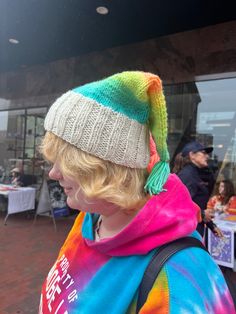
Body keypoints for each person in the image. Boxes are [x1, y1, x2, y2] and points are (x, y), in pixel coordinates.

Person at [39, 71, 234, 313]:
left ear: (107, 169)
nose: (53, 173)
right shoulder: (90, 217)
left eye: (65, 161)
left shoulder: (180, 280)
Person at [173, 145, 223, 238]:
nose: (207, 156)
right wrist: (203, 214)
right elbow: (179, 205)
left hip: (194, 228)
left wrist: (211, 225)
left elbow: (197, 204)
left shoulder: (195, 174)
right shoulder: (187, 175)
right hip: (187, 230)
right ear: (192, 155)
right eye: (203, 153)